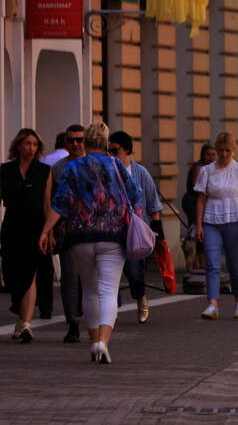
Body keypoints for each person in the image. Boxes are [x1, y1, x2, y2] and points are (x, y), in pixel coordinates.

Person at [39, 122, 143, 364]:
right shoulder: (117, 165)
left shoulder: (73, 167)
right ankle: (103, 342)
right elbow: (136, 194)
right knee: (108, 290)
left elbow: (61, 203)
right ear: (106, 143)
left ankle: (93, 339)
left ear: (85, 142)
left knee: (89, 289)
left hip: (80, 237)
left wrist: (46, 231)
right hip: (112, 237)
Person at [194, 132, 238, 320]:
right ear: (216, 150)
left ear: (233, 151)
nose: (225, 154)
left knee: (235, 264)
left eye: (228, 150)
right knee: (212, 264)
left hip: (234, 221)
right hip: (211, 222)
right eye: (221, 150)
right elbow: (200, 200)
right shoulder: (207, 171)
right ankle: (213, 304)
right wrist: (199, 225)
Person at [108, 131, 164, 324]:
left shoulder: (140, 172)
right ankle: (111, 308)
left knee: (134, 271)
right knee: (110, 270)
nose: (112, 155)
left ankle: (141, 299)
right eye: (109, 151)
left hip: (135, 230)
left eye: (115, 151)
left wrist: (157, 234)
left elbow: (154, 205)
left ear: (127, 150)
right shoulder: (107, 171)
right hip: (112, 229)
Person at [1, 129, 51, 342]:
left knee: (30, 274)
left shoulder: (44, 171)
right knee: (12, 274)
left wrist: (48, 232)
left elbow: (47, 203)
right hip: (12, 227)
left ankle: (26, 324)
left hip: (35, 228)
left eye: (34, 144)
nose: (31, 148)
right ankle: (21, 320)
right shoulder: (5, 170)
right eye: (27, 143)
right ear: (18, 145)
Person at [51, 124, 86, 343]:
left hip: (93, 229)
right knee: (69, 277)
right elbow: (53, 201)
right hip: (67, 229)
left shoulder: (93, 164)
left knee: (89, 277)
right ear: (65, 143)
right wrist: (51, 230)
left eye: (79, 140)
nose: (75, 144)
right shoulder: (57, 168)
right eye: (71, 140)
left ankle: (90, 316)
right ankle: (72, 322)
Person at [182, 143, 216, 271]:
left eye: (213, 155)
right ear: (203, 155)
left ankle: (198, 261)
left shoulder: (209, 168)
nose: (211, 157)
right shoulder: (199, 167)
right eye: (208, 154)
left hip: (200, 202)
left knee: (199, 229)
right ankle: (198, 261)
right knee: (198, 229)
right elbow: (197, 187)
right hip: (194, 202)